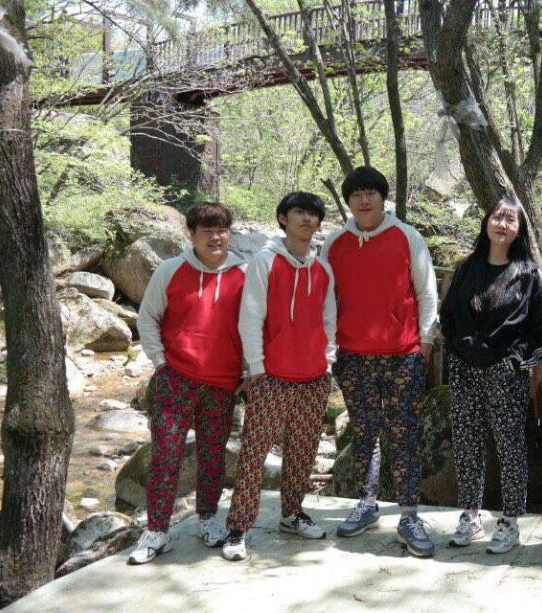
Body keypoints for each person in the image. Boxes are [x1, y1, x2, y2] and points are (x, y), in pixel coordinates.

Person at [321, 166, 438, 558]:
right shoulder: (335, 243)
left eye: (370, 193)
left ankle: (409, 515)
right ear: (348, 201)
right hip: (353, 356)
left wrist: (424, 344)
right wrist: (331, 349)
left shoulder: (407, 236)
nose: (364, 200)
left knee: (404, 433)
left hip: (402, 355)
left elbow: (427, 291)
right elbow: (327, 300)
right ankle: (366, 504)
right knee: (365, 433)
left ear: (382, 198)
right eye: (356, 194)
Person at [221, 192, 337, 561]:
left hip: (314, 377)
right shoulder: (265, 261)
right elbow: (251, 316)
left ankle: (292, 514)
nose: (306, 220)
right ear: (283, 218)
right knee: (254, 453)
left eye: (312, 215)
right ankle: (238, 527)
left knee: (303, 451)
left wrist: (327, 362)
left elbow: (329, 320)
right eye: (298, 213)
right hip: (271, 376)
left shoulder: (323, 269)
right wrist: (257, 367)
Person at [131, 202, 246, 565]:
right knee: (166, 453)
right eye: (206, 230)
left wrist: (248, 371)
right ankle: (157, 530)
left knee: (213, 455)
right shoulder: (171, 270)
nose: (215, 237)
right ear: (192, 234)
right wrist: (161, 363)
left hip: (223, 382)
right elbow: (148, 318)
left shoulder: (244, 274)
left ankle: (208, 519)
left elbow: (255, 326)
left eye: (222, 230)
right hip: (176, 378)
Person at [439, 197, 542, 554]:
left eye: (510, 220)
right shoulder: (467, 267)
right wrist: (456, 348)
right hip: (465, 368)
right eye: (497, 217)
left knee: (509, 444)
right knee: (466, 442)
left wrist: (515, 360)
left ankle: (510, 521)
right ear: (487, 222)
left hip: (505, 371)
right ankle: (469, 516)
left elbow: (539, 329)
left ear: (519, 229)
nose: (502, 224)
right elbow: (448, 315)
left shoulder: (527, 274)